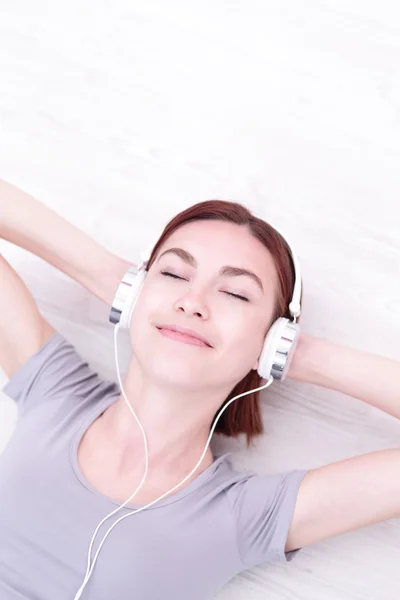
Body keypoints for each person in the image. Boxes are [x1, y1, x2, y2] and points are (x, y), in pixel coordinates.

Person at [1, 179, 399, 600]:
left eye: (235, 293)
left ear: (270, 339)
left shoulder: (242, 515)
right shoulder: (57, 393)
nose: (193, 302)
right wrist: (105, 273)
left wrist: (297, 354)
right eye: (173, 273)